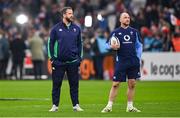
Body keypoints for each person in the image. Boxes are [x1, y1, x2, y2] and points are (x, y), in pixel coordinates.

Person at [101, 12, 143, 113]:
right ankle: (109, 106)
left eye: (128, 17)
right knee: (115, 84)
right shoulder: (115, 32)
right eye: (125, 17)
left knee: (132, 84)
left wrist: (138, 57)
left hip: (133, 62)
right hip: (122, 62)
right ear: (120, 20)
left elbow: (139, 45)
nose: (127, 19)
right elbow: (106, 45)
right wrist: (111, 46)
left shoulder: (134, 32)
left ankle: (130, 107)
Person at [48, 7, 83, 112]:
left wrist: (79, 58)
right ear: (64, 15)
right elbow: (50, 43)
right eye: (69, 13)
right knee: (56, 84)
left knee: (74, 85)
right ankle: (55, 105)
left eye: (72, 13)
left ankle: (76, 105)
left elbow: (80, 44)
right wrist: (52, 58)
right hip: (58, 62)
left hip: (73, 62)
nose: (71, 15)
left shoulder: (77, 28)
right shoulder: (55, 28)